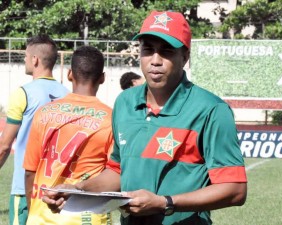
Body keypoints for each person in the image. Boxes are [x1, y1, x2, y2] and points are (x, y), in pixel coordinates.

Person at [43, 10, 247, 225]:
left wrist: (165, 203)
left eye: (166, 51)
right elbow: (118, 171)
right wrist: (77, 190)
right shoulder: (125, 103)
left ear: (185, 57)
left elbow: (235, 190)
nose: (155, 61)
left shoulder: (211, 110)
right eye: (148, 50)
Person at [23, 45, 114, 225]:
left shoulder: (44, 112)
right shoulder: (111, 118)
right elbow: (114, 174)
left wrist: (33, 210)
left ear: (70, 74)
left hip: (42, 214)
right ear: (102, 78)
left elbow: (29, 172)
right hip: (88, 217)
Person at [0, 34, 69, 225]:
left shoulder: (23, 93)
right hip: (57, 189)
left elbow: (4, 146)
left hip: (25, 188)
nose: (23, 59)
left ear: (35, 60)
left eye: (25, 55)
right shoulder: (68, 95)